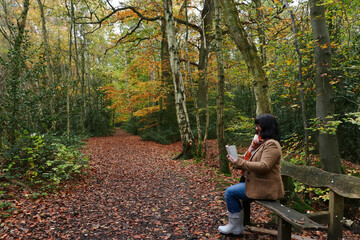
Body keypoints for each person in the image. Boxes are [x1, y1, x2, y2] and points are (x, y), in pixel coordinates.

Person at [218, 113, 285, 235]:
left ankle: (234, 226)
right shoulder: (262, 143)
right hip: (257, 184)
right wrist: (236, 157)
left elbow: (264, 166)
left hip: (265, 188)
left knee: (229, 192)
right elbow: (251, 159)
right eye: (256, 125)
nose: (256, 128)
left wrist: (240, 162)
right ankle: (236, 227)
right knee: (231, 192)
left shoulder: (272, 144)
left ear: (266, 127)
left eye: (258, 125)